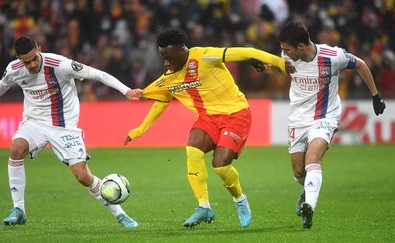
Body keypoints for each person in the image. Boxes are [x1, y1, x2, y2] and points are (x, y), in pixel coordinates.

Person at [124, 28, 295, 228]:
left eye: (168, 57)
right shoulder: (169, 77)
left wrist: (280, 63)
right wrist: (140, 130)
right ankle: (204, 206)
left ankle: (240, 199)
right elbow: (161, 101)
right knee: (192, 150)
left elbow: (248, 52)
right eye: (163, 58)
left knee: (220, 165)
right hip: (207, 118)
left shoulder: (205, 56)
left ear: (181, 49)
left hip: (236, 114)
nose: (166, 63)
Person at [0, 36, 142, 228]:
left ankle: (119, 214)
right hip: (34, 122)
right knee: (16, 148)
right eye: (27, 62)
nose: (32, 64)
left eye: (35, 58)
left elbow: (98, 74)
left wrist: (126, 91)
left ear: (39, 49)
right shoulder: (14, 69)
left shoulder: (60, 65)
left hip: (64, 126)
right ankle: (19, 209)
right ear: (19, 58)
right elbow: (2, 86)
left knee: (83, 177)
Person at [278, 20, 386, 229]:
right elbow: (278, 69)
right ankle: (307, 191)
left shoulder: (332, 56)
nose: (284, 53)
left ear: (301, 46)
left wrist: (375, 95)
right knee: (298, 171)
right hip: (298, 119)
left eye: (287, 49)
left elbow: (361, 65)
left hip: (324, 116)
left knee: (312, 159)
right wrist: (264, 68)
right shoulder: (287, 57)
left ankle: (309, 206)